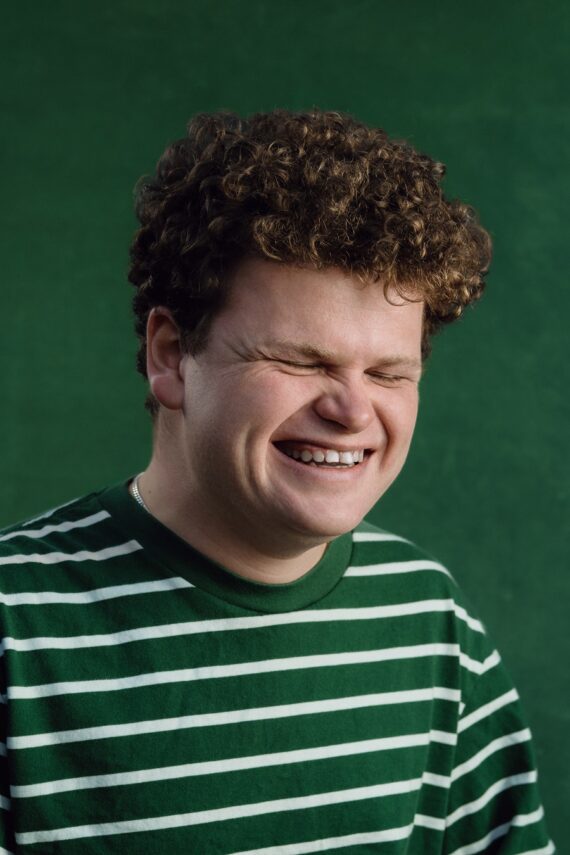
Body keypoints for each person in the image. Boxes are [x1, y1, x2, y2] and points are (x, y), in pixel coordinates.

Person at [0, 110, 554, 854]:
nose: (353, 410)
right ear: (170, 355)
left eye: (389, 372)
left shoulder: (434, 622)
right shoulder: (15, 626)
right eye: (300, 361)